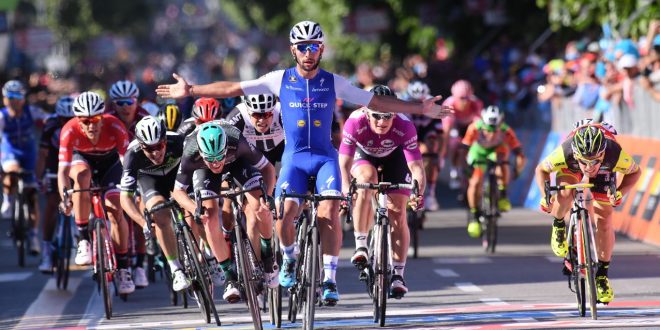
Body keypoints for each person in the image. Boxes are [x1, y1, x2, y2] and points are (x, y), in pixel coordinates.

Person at [156, 20, 452, 305]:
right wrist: (192, 90)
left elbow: (374, 102)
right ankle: (287, 258)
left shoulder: (333, 82)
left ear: (321, 49)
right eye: (302, 47)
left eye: (314, 46)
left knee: (329, 212)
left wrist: (418, 108)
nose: (308, 52)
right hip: (294, 160)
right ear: (293, 49)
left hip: (325, 159)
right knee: (285, 214)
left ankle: (329, 280)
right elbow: (233, 88)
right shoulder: (278, 80)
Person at [534, 122, 641, 303]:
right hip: (571, 166)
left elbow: (635, 172)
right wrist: (545, 196)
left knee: (604, 217)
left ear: (602, 154)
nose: (589, 167)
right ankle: (559, 225)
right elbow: (541, 170)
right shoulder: (566, 151)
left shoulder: (613, 153)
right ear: (576, 154)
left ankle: (601, 276)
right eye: (585, 162)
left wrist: (620, 192)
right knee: (566, 192)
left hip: (605, 171)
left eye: (594, 161)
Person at [171, 121, 277, 302]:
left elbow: (268, 168)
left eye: (219, 157)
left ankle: (267, 255)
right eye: (210, 159)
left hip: (238, 162)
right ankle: (229, 278)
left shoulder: (238, 142)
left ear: (226, 147)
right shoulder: (190, 152)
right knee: (208, 218)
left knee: (260, 206)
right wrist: (193, 208)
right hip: (204, 174)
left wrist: (267, 196)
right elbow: (178, 191)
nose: (216, 163)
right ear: (201, 153)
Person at [338, 85, 425, 299]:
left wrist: (418, 193)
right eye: (376, 116)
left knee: (397, 212)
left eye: (388, 117)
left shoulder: (405, 125)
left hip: (395, 158)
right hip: (364, 155)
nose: (382, 122)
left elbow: (416, 168)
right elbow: (343, 165)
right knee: (366, 180)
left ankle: (398, 274)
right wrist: (346, 192)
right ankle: (361, 245)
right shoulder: (354, 122)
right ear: (366, 111)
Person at [58, 91, 135, 295]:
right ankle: (83, 239)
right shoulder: (69, 131)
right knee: (81, 176)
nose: (92, 125)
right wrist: (65, 198)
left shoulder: (116, 126)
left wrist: (130, 193)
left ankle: (124, 267)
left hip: (111, 165)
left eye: (96, 120)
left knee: (115, 210)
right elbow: (63, 172)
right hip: (82, 161)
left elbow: (126, 166)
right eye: (86, 120)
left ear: (104, 117)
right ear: (78, 120)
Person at [119, 116, 191, 291]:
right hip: (151, 180)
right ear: (141, 145)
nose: (155, 153)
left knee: (192, 208)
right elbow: (125, 199)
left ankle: (206, 257)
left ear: (165, 140)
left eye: (159, 146)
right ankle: (176, 269)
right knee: (160, 216)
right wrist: (143, 223)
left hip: (176, 177)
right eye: (149, 149)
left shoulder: (179, 142)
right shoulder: (132, 155)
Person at [108, 79, 150, 287]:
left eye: (129, 101)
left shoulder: (145, 118)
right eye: (120, 102)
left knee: (140, 212)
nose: (125, 106)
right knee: (117, 211)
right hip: (115, 169)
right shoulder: (108, 119)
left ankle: (140, 266)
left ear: (136, 101)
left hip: (141, 167)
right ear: (113, 104)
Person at [464, 105, 526, 238]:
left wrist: (517, 169)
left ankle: (503, 194)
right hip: (478, 151)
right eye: (488, 129)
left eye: (494, 129)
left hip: (497, 150)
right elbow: (464, 148)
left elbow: (519, 153)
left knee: (503, 163)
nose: (491, 133)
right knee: (475, 182)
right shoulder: (474, 127)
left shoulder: (506, 130)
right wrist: (466, 166)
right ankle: (475, 215)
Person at [0, 80, 47, 255]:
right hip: (10, 151)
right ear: (5, 99)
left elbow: (48, 119)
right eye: (10, 97)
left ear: (24, 98)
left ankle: (34, 236)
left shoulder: (31, 112)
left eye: (18, 97)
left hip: (29, 154)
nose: (14, 101)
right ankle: (7, 201)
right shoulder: (2, 116)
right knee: (11, 172)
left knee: (32, 195)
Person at [35, 95, 75, 272]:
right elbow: (42, 155)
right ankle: (46, 249)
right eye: (63, 119)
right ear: (57, 116)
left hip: (75, 161)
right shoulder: (50, 125)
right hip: (54, 163)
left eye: (70, 119)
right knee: (52, 203)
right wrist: (39, 177)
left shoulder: (81, 123)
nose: (66, 122)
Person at [404, 80, 443, 211]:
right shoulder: (403, 108)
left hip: (425, 132)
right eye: (413, 102)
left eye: (420, 102)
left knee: (430, 149)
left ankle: (430, 193)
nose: (417, 106)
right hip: (408, 132)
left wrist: (439, 155)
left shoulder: (433, 108)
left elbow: (440, 135)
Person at [442, 80, 483, 192]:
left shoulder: (476, 103)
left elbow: (480, 126)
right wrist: (443, 152)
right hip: (455, 126)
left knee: (476, 142)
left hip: (470, 126)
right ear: (455, 96)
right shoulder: (449, 104)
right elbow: (446, 132)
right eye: (461, 98)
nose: (465, 102)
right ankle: (454, 169)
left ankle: (472, 168)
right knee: (454, 143)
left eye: (467, 98)